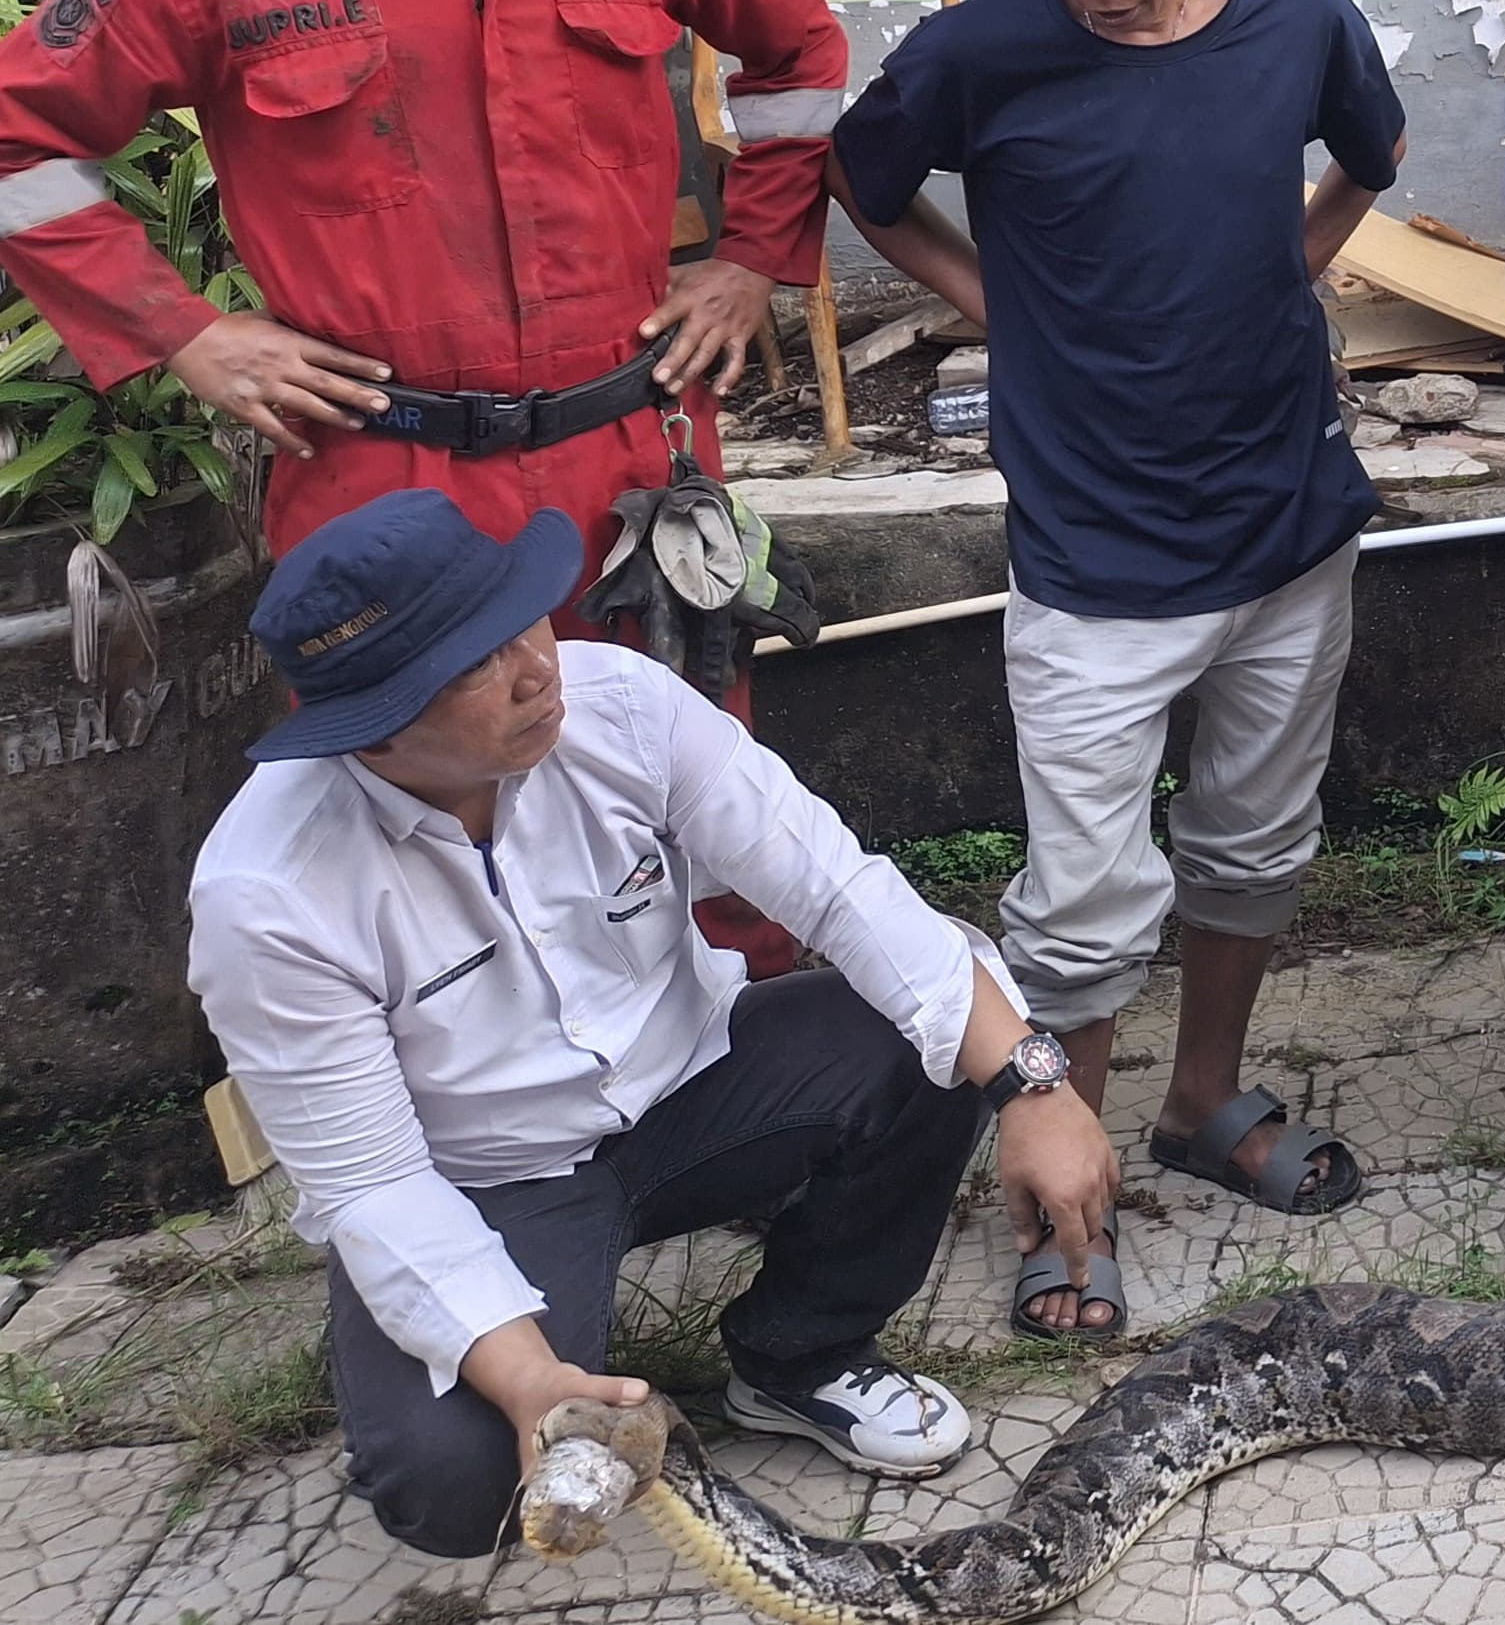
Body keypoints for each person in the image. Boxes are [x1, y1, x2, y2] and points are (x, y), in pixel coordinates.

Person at [0, 0, 849, 973]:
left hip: (629, 458)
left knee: (700, 792)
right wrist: (184, 332)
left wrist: (752, 261)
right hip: (381, 477)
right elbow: (24, 140)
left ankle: (747, 1076)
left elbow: (800, 56)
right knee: (411, 832)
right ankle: (473, 1131)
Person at [186, 490, 1115, 1558]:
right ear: (376, 725)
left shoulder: (618, 704)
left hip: (696, 1086)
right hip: (491, 1181)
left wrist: (1035, 1087)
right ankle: (452, 1335)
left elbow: (839, 890)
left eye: (520, 621)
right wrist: (532, 1381)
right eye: (473, 667)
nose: (535, 669)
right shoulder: (269, 893)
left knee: (929, 1037)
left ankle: (797, 1356)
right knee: (459, 1485)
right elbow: (371, 1182)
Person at [832, 0, 1404, 1336]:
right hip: (1095, 555)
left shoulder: (1302, 17)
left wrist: (1295, 261)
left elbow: (1377, 148)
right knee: (1082, 901)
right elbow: (868, 187)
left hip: (1289, 524)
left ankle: (1201, 1104)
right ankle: (1058, 1180)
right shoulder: (977, 54)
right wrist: (994, 304)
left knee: (1254, 843)